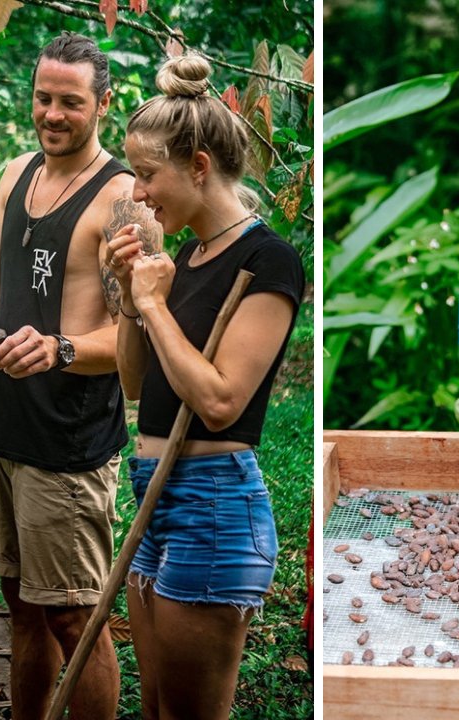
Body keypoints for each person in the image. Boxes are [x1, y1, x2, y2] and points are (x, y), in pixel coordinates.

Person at [0, 32, 159, 720]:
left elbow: (138, 342)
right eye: (44, 98)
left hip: (70, 442)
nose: (53, 114)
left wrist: (61, 349)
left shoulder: (126, 200)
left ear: (104, 102)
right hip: (7, 426)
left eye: (71, 101)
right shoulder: (16, 173)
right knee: (21, 609)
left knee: (74, 618)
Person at [106, 55, 305, 720]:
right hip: (150, 494)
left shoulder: (267, 259)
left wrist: (157, 306)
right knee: (158, 710)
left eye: (147, 173)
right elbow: (137, 386)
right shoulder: (183, 257)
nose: (138, 192)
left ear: (197, 166)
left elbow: (221, 401)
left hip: (212, 506)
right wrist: (132, 299)